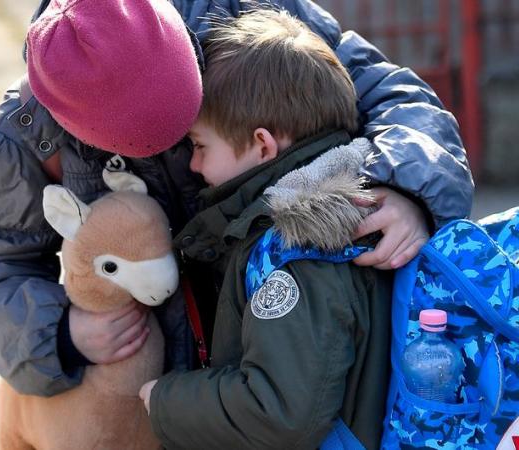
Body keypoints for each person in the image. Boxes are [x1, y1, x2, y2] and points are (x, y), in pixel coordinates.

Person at [0, 0, 472, 399]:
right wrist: (62, 335)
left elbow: (393, 95)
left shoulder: (248, 19)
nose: (191, 162)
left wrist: (406, 189)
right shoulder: (23, 135)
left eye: (190, 133)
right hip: (158, 396)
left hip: (306, 366)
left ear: (183, 49)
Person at [137, 10, 391, 448]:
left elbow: (280, 411)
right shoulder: (310, 220)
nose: (194, 165)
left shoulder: (297, 248)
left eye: (200, 146)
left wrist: (164, 398)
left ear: (262, 144)